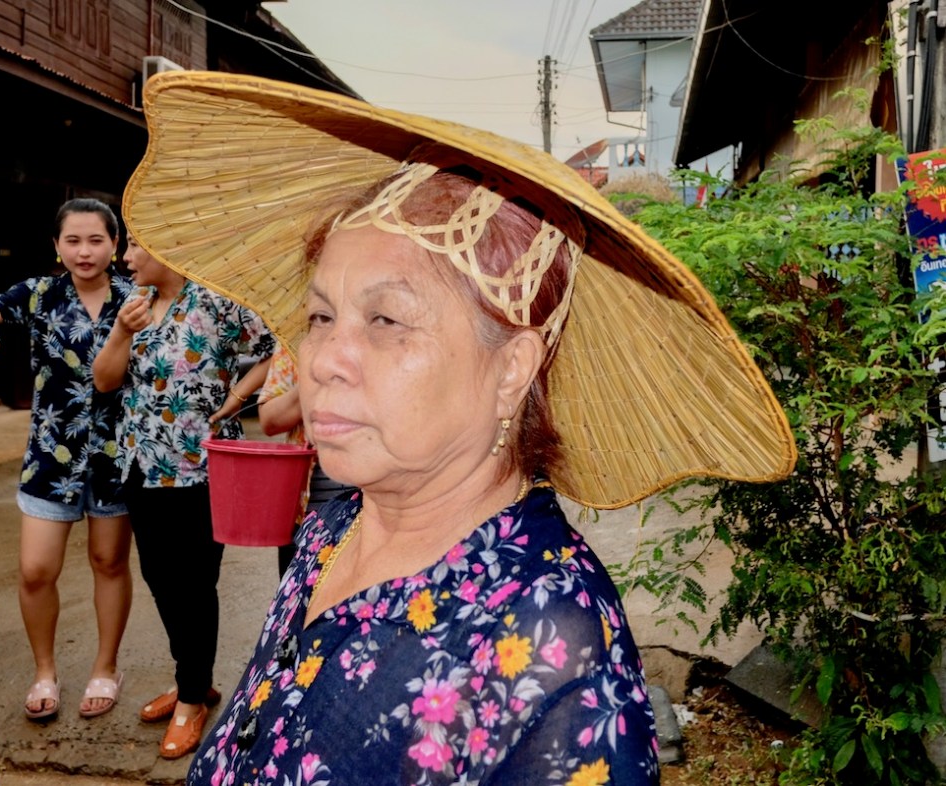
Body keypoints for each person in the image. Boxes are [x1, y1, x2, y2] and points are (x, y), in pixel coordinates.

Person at [123, 73, 796, 784]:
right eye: (321, 317)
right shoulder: (335, 526)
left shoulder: (551, 641)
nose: (323, 360)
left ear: (512, 368)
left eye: (385, 320)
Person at [0, 198, 135, 721]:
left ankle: (105, 667)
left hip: (115, 457)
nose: (84, 251)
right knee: (36, 570)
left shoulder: (136, 300)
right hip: (50, 458)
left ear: (115, 245)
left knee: (109, 563)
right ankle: (45, 670)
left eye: (96, 240)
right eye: (73, 240)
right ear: (57, 246)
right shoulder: (40, 294)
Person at [92, 232, 274, 759]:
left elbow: (274, 349)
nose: (124, 259)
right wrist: (121, 334)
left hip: (203, 469)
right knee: (160, 579)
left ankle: (192, 700)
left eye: (135, 249)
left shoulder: (217, 300)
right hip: (141, 464)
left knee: (195, 584)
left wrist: (237, 399)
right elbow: (105, 382)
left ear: (168, 250)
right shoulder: (134, 305)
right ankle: (192, 680)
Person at [256, 341, 355, 577]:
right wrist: (314, 382)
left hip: (375, 506)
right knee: (299, 604)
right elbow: (269, 421)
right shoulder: (296, 343)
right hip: (306, 503)